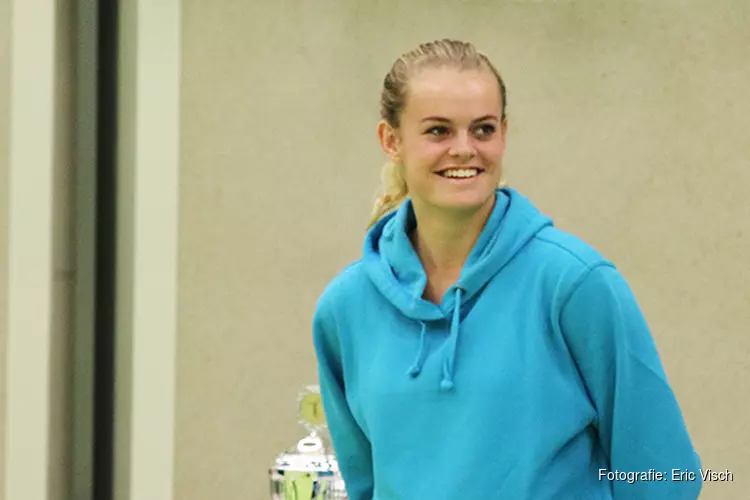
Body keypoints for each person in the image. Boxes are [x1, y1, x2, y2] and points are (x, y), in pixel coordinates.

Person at [312, 39, 702, 499]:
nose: (464, 149)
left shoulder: (574, 284)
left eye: (483, 130)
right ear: (391, 141)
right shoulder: (345, 308)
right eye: (438, 131)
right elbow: (364, 485)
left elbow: (665, 476)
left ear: (504, 133)